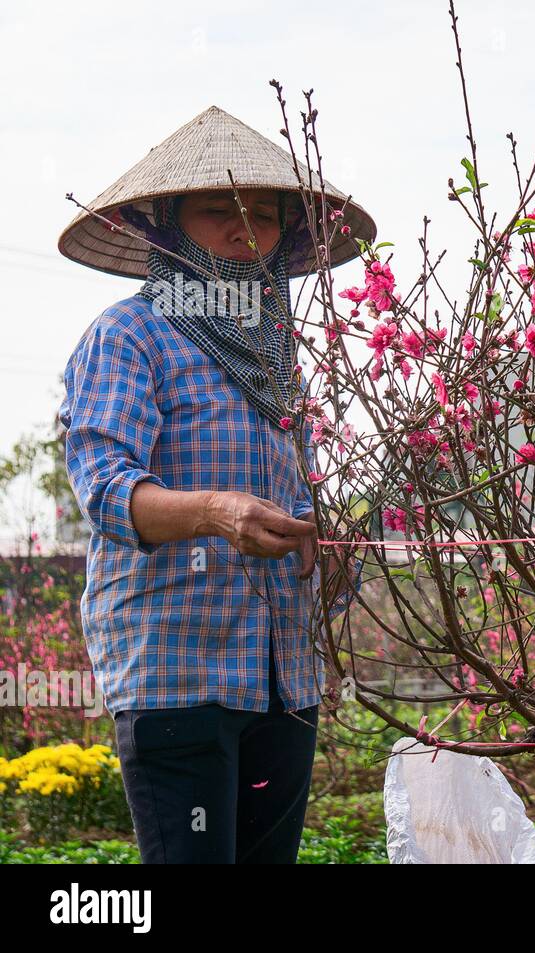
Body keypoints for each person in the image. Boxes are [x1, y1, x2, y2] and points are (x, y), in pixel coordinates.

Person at [57, 105, 376, 863]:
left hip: (281, 676)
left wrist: (325, 550)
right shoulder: (128, 335)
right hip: (176, 673)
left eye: (263, 213)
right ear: (166, 225)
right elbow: (105, 490)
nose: (245, 230)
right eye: (217, 211)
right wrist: (214, 512)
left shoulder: (279, 360)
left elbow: (300, 500)